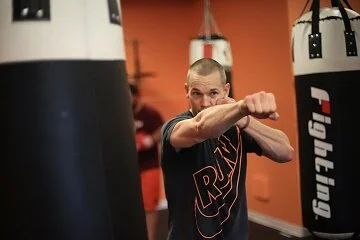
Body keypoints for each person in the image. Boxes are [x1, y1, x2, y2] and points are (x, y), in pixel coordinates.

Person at [160, 58, 294, 240]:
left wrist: (244, 119)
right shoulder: (175, 127)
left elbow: (286, 152)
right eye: (196, 94)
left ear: (226, 91)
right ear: (187, 91)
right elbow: (201, 127)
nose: (205, 103)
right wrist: (241, 107)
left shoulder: (238, 127)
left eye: (213, 93)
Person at [129, 83, 164, 240]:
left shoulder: (149, 113)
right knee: (130, 206)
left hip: (149, 167)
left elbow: (164, 129)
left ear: (136, 96)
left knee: (149, 207)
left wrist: (149, 140)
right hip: (129, 169)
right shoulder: (121, 113)